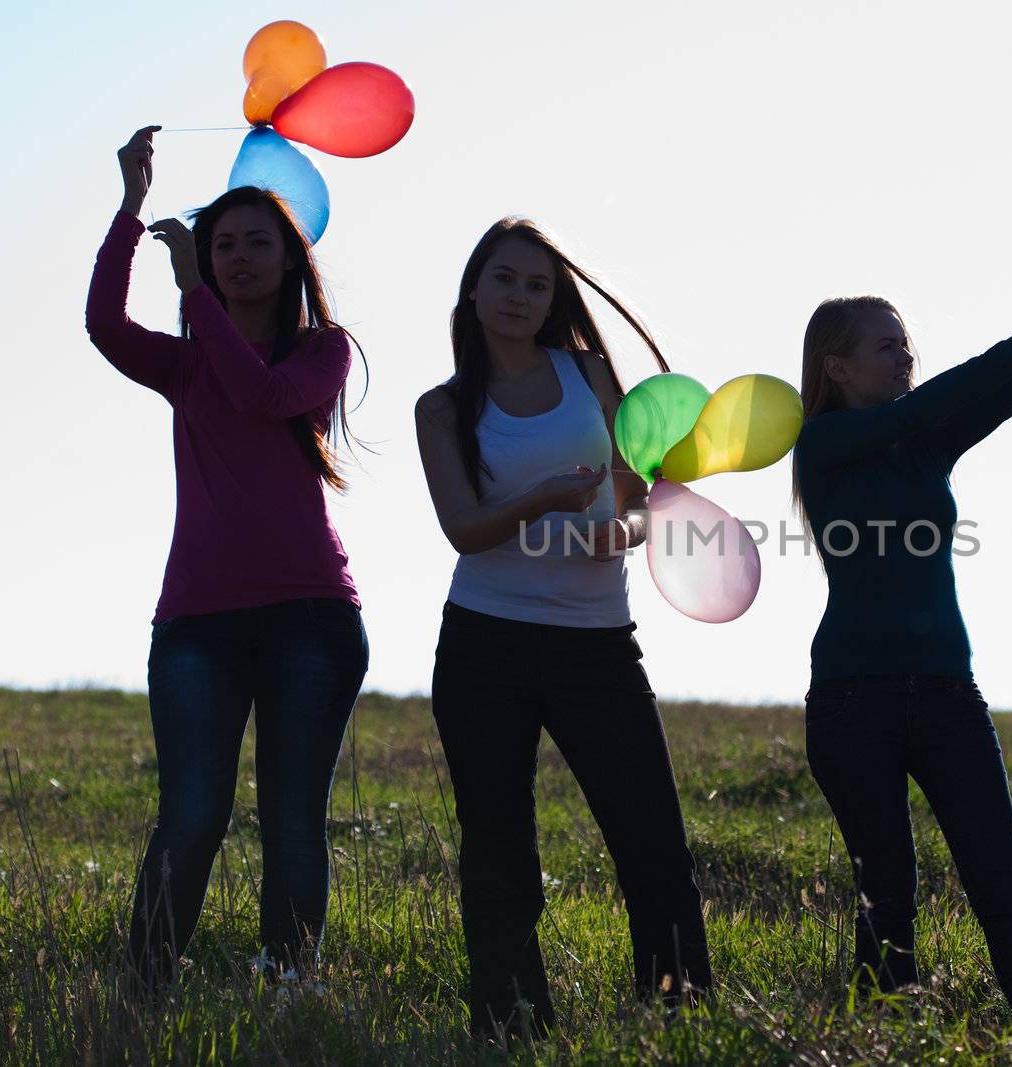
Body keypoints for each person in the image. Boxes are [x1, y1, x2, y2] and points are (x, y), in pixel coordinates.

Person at [789, 248, 1012, 1024]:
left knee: (1001, 884)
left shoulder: (924, 447)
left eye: (906, 343)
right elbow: (931, 404)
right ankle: (881, 1042)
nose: (906, 355)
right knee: (885, 893)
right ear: (838, 367)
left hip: (948, 697)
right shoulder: (819, 446)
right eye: (885, 344)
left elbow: (1001, 388)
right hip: (853, 702)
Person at [86, 126, 370, 993]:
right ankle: (141, 991)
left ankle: (289, 995)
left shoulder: (324, 349)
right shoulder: (183, 364)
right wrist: (131, 213)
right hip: (197, 626)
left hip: (312, 621)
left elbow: (261, 395)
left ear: (290, 260)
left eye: (257, 242)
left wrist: (192, 295)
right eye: (222, 245)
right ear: (205, 260)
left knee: (292, 823)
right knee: (192, 817)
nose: (238, 256)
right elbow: (103, 325)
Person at [414, 217, 712, 1039]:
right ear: (474, 290)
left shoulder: (589, 375)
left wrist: (622, 533)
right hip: (484, 644)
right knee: (500, 852)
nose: (518, 296)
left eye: (536, 284)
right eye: (503, 279)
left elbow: (642, 498)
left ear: (554, 300)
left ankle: (682, 1021)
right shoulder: (440, 408)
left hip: (597, 646)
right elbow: (464, 528)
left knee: (652, 841)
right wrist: (541, 499)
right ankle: (512, 1027)